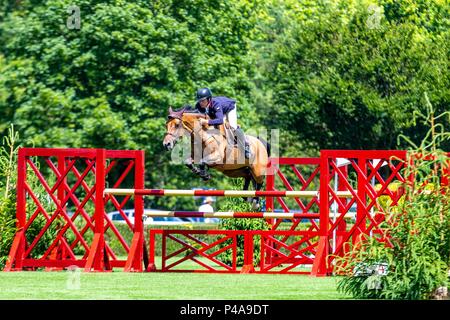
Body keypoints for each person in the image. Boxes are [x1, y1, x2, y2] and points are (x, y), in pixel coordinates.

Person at [195, 87, 252, 160]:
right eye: (199, 101)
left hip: (229, 108)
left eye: (203, 101)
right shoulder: (199, 106)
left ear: (209, 99)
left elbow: (220, 121)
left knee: (232, 126)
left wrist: (207, 121)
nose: (201, 103)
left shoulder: (215, 104)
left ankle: (246, 145)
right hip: (217, 112)